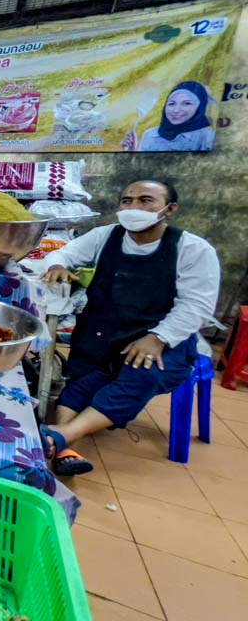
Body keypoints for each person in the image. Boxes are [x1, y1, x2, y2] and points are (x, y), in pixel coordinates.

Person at [39, 180, 219, 476]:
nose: (133, 208)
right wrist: (58, 265)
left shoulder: (193, 249)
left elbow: (196, 306)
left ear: (169, 209)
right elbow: (64, 254)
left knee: (142, 374)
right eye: (127, 201)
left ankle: (60, 436)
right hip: (105, 332)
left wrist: (158, 338)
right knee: (83, 379)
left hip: (163, 337)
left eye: (145, 201)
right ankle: (64, 444)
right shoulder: (105, 236)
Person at [123, 81, 215, 152]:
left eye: (186, 103)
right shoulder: (150, 135)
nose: (176, 110)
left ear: (199, 108)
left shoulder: (207, 138)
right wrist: (132, 151)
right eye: (171, 103)